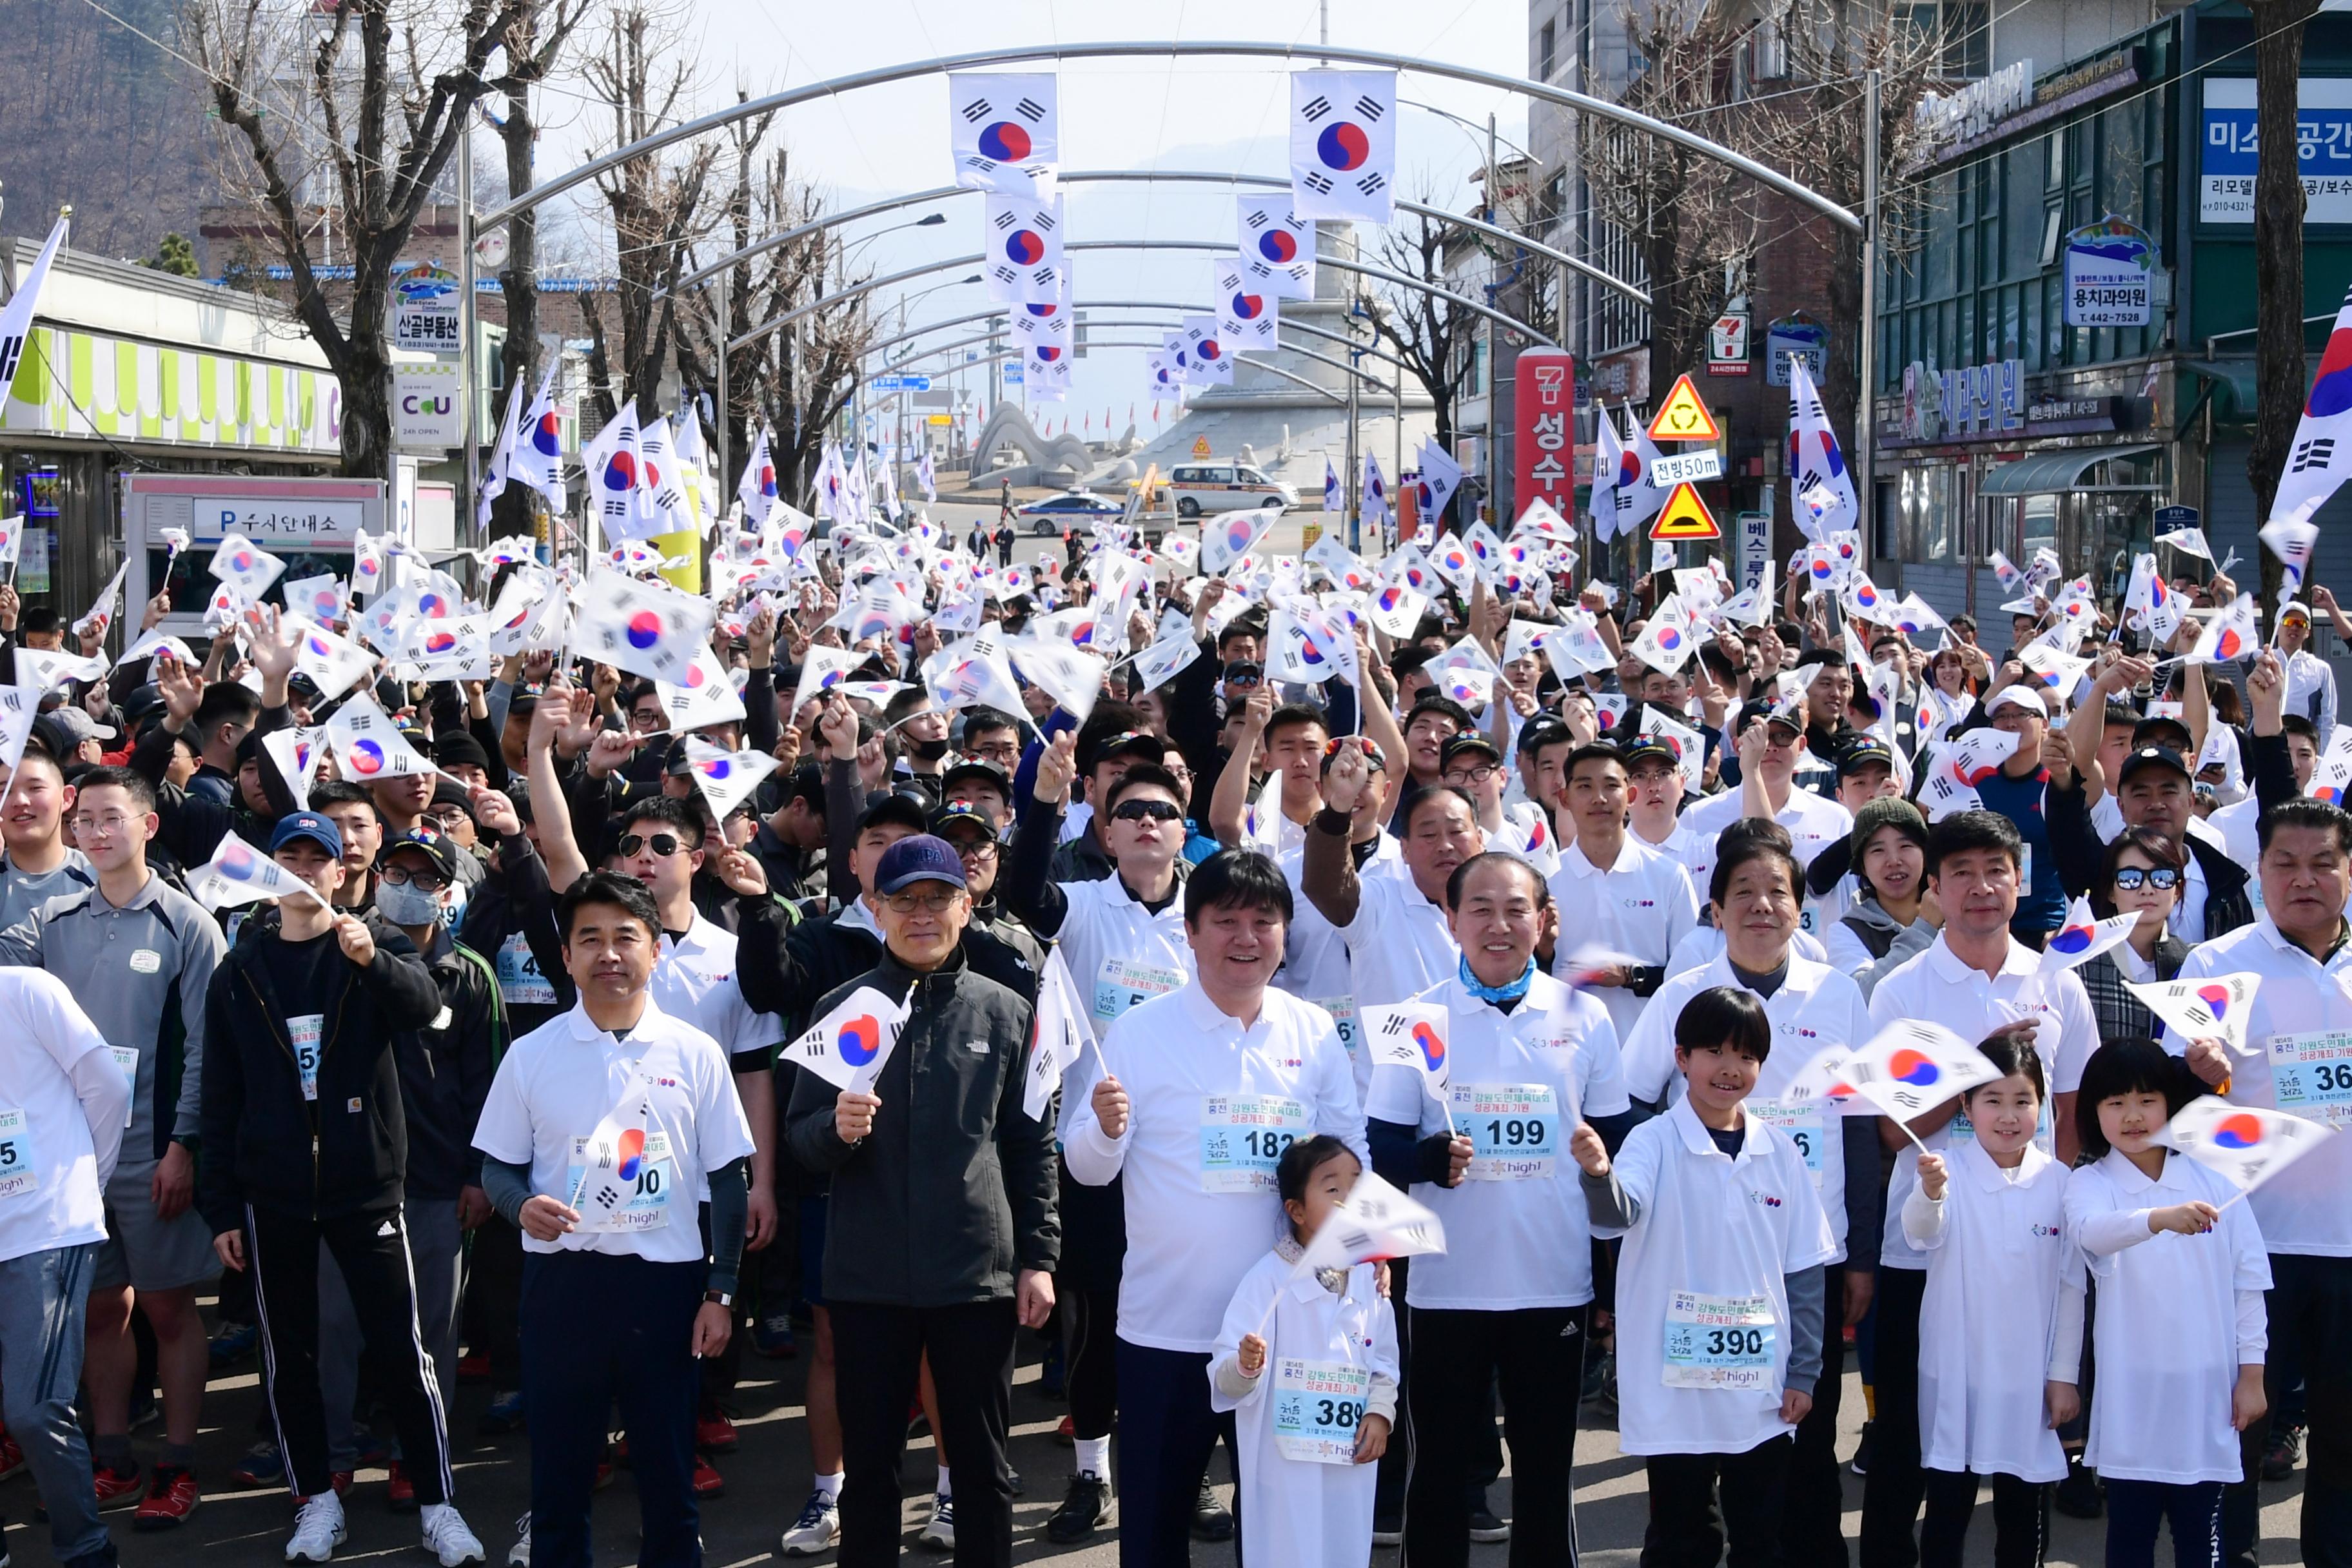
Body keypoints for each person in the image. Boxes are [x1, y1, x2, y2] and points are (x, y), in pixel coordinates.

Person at [1064, 850, 1368, 1568]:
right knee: (1154, 1524)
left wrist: (1363, 1251)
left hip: (1284, 1328)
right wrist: (1106, 1130)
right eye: (1225, 920)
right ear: (1191, 933)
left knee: (1279, 1531)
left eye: (1263, 920)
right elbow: (1085, 1165)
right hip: (1166, 1329)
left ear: (1285, 934)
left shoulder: (1312, 1030)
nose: (1246, 936)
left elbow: (1350, 1154)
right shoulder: (1142, 1031)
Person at [195, 810, 484, 1565]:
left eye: (315, 857)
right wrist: (222, 1204)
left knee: (401, 1348)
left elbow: (429, 1010)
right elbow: (220, 1095)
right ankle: (317, 1498)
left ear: (338, 869)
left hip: (367, 1187)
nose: (301, 868)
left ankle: (436, 1502)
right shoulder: (241, 968)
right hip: (274, 1194)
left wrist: (372, 959)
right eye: (287, 855)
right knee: (290, 1355)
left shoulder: (374, 942)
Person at [785, 833, 1057, 1568]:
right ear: (875, 909)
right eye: (903, 899)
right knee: (871, 1471)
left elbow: (1032, 1145)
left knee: (980, 1468)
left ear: (966, 906)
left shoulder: (1006, 1010)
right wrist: (834, 1130)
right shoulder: (843, 1007)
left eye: (938, 898)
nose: (922, 913)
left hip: (976, 1275)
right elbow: (800, 1142)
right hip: (867, 1276)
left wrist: (1039, 1258)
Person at [471, 871, 756, 1568]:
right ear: (564, 956)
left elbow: (727, 1176)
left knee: (666, 1476)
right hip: (562, 1287)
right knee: (561, 1479)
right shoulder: (530, 1054)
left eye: (625, 937)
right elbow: (498, 1168)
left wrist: (720, 1291)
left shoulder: (695, 1053)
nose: (608, 954)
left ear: (655, 950)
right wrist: (519, 1206)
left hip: (664, 1287)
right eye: (588, 938)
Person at [1616, 819, 1879, 1565]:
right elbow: (1634, 1111)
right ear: (1715, 907)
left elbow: (1856, 1128)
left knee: (1803, 1438)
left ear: (1801, 905)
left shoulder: (1837, 995)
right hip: (1692, 1265)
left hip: (1800, 1257)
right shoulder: (1683, 994)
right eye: (1744, 892)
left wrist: (1859, 1252)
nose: (1762, 905)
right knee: (1690, 1462)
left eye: (1778, 891)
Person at [1860, 810, 2098, 1568]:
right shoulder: (1902, 990)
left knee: (2019, 1442)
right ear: (1935, 885)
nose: (1981, 886)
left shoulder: (2058, 981)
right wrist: (1977, 1067)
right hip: (1921, 1249)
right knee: (1908, 1437)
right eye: (1960, 871)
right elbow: (1892, 1133)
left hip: (2028, 1249)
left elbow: (2069, 1114)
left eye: (1995, 869)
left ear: (2020, 879)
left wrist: (2063, 1211)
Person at [0, 766, 224, 1527]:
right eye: (85, 818)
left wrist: (183, 1146)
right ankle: (113, 1455)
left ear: (147, 825)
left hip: (152, 1155)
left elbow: (205, 1050)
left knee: (168, 1311)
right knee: (101, 1311)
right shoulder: (52, 923)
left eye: (111, 817)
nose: (97, 831)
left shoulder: (188, 923)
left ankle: (179, 1461)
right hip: (70, 1164)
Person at [1393, 852, 1629, 1568]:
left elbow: (1614, 1148)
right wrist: (1430, 1159)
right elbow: (1378, 1145)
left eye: (1517, 909)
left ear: (1543, 918)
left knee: (1545, 1472)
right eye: (1481, 909)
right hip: (1445, 1285)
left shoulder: (1585, 1014)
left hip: (1552, 1282)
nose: (1499, 925)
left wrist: (1608, 1282)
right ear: (1451, 918)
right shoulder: (1418, 1016)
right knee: (1436, 1471)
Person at [1573, 985, 1836, 1568]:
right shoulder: (1653, 1141)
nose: (1730, 1069)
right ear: (1681, 1057)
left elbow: (1804, 1270)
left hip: (1760, 1387)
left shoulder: (1779, 1152)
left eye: (1746, 1056)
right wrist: (1597, 1173)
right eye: (1714, 1051)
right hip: (1675, 1386)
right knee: (1681, 1540)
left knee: (1761, 1537)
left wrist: (1804, 1370)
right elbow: (1617, 1213)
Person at [2172, 796, 2352, 1565]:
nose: (2302, 878)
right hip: (2253, 1242)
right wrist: (2195, 1073)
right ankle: (2231, 1553)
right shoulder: (2216, 963)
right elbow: (2168, 1109)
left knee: (2344, 1433)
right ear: (2259, 870)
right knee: (2240, 1423)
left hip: (2348, 1244)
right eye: (2285, 862)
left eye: (2323, 862)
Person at [315, 826, 501, 1509]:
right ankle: (332, 1454)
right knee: (335, 1324)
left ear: (449, 894)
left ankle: (417, 1454)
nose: (409, 887)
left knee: (432, 1330)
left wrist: (480, 1173)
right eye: (397, 872)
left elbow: (490, 1084)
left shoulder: (471, 973)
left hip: (438, 1183)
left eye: (426, 879)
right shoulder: (336, 952)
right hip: (353, 1180)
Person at [2064, 1037, 2269, 1568]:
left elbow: (2248, 1285)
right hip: (2132, 1396)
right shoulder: (2088, 1184)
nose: (2132, 1116)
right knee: (2129, 1540)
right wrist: (2158, 1219)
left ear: (2172, 1105)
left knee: (2200, 1541)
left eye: (2147, 1100)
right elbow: (2092, 1233)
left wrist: (2252, 1376)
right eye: (2115, 1103)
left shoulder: (2217, 1182)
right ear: (2094, 1112)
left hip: (2207, 1396)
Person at [1902, 1031, 2082, 1568]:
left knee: (2022, 1513)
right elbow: (1920, 1233)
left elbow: (2072, 1286)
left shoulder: (2060, 1182)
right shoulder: (1946, 1170)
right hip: (1957, 1370)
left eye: (2022, 1101)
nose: (2008, 1116)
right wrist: (1929, 1192)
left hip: (2028, 1378)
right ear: (1966, 1105)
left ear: (2041, 1105)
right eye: (1992, 1101)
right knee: (1949, 1507)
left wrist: (2063, 1375)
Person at [1207, 1136, 1398, 1565]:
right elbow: (1224, 1375)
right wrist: (1246, 1366)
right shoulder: (1268, 1282)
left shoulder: (1369, 1280)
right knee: (1288, 1549)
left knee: (1343, 1548)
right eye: (1332, 1189)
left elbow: (1385, 1361)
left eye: (1356, 1186)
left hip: (1350, 1459)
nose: (1348, 1200)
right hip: (1285, 1469)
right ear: (1296, 1210)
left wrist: (1380, 1413)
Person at [0, 963, 132, 1568]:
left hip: (46, 1229)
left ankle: (86, 1549)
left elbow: (108, 1085)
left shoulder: (27, 989)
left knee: (34, 1408)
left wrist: (85, 1179)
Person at [1545, 741, 1698, 1041]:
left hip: (1649, 1053)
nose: (1599, 798)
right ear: (1564, 798)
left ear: (1630, 796)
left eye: (1611, 786)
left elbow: (1691, 976)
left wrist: (1629, 976)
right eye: (1585, 787)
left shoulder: (1668, 876)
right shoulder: (1545, 879)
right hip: (1566, 1049)